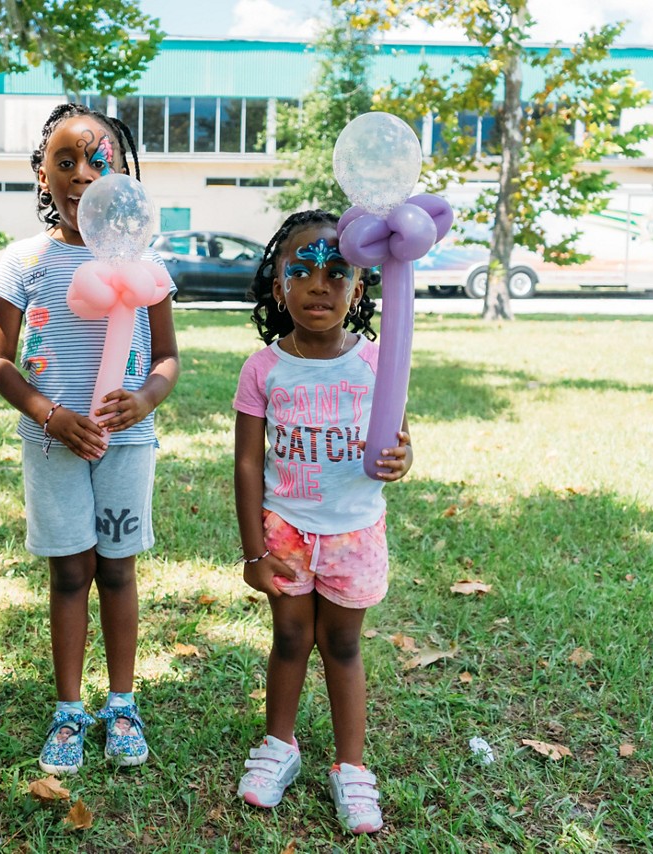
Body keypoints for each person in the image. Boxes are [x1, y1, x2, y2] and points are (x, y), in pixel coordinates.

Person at [0, 103, 180, 774]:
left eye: (99, 160)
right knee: (70, 573)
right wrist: (49, 414)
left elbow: (167, 359)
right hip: (52, 445)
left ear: (125, 176)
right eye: (65, 161)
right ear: (41, 175)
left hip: (127, 444)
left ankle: (121, 703)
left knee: (117, 571)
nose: (82, 173)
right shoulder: (24, 262)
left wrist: (146, 397)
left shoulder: (147, 266)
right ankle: (69, 713)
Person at [232, 210, 412, 834]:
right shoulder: (263, 369)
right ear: (278, 284)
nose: (319, 285)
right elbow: (249, 461)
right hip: (286, 528)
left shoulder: (376, 361)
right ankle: (278, 748)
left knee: (341, 644)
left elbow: (398, 439)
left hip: (355, 529)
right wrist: (254, 553)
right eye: (302, 271)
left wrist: (403, 458)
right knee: (289, 639)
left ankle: (351, 768)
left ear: (359, 288)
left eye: (338, 273)